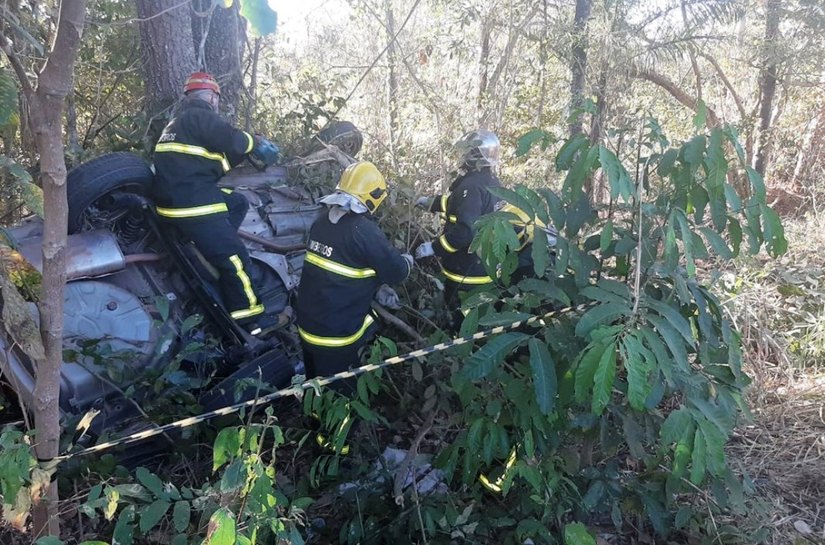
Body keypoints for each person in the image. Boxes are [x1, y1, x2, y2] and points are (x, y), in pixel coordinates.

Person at [151, 71, 279, 333]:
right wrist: (257, 143)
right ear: (211, 96)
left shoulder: (176, 125)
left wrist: (239, 157)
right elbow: (232, 137)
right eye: (216, 99)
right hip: (193, 206)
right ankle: (251, 320)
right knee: (236, 259)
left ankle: (211, 245)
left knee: (237, 203)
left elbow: (210, 164)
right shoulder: (201, 116)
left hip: (172, 205)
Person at [296, 161, 413, 383]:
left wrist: (375, 284)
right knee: (339, 396)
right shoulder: (363, 230)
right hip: (335, 338)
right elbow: (397, 272)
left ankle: (313, 417)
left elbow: (346, 263)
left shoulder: (321, 222)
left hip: (307, 325)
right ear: (373, 195)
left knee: (315, 388)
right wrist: (408, 260)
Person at [414, 129, 504, 312]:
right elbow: (461, 206)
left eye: (466, 152)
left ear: (474, 155)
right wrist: (432, 203)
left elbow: (465, 232)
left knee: (461, 322)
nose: (462, 156)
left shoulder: (471, 186)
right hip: (487, 269)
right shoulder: (491, 181)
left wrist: (434, 247)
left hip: (467, 274)